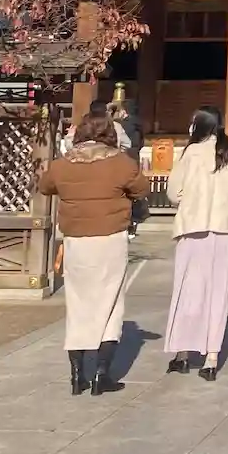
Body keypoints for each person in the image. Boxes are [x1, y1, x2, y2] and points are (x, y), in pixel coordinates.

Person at [38, 111, 150, 396]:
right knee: (109, 304)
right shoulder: (120, 163)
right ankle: (101, 374)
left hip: (76, 240)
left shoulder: (63, 165)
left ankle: (77, 375)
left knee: (78, 304)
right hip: (110, 238)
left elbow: (45, 186)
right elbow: (141, 188)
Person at [164, 106, 228, 381]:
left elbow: (173, 192)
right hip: (224, 229)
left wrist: (189, 201)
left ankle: (183, 353)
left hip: (192, 227)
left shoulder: (191, 152)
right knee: (218, 293)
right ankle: (211, 358)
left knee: (188, 290)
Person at [112, 101, 147, 238]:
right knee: (133, 190)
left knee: (123, 191)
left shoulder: (122, 126)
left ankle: (126, 222)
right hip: (135, 157)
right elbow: (141, 142)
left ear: (124, 111)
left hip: (124, 158)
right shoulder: (139, 125)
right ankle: (134, 222)